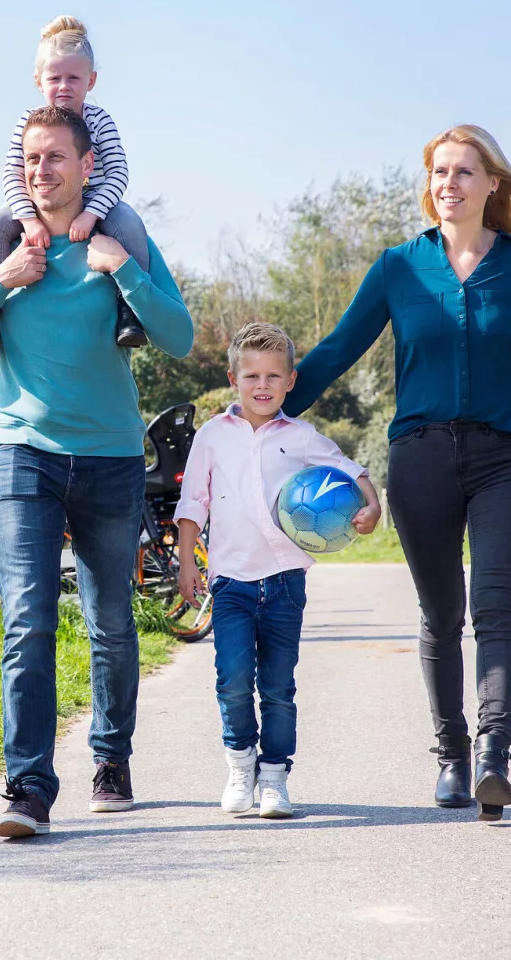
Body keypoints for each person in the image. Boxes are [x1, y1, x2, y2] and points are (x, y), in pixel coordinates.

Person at [281, 125, 511, 821]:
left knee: (496, 608)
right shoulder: (399, 267)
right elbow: (340, 346)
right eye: (439, 172)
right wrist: (270, 406)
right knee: (440, 614)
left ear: (492, 184)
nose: (449, 185)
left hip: (507, 459)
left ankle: (494, 752)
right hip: (422, 457)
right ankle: (451, 756)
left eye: (464, 173)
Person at [0, 104, 194, 838]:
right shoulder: (6, 247)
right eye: (31, 160)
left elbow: (179, 333)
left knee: (110, 621)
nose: (42, 171)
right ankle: (28, 789)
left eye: (55, 158)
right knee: (26, 622)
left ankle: (110, 758)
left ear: (86, 167)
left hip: (109, 459)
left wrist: (124, 270)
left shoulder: (116, 241)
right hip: (23, 456)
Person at [173, 322, 380, 818]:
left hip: (285, 582)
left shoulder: (302, 437)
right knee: (232, 678)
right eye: (251, 376)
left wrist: (371, 506)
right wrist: (186, 561)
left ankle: (274, 779)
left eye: (273, 376)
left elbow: (353, 469)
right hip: (230, 581)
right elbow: (193, 501)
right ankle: (240, 766)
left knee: (278, 686)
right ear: (233, 379)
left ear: (290, 381)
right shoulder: (212, 436)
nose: (261, 386)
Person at [0, 16, 151, 351]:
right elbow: (12, 172)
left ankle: (131, 312)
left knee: (128, 221)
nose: (64, 86)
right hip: (37, 202)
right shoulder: (28, 122)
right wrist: (26, 218)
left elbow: (118, 171)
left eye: (73, 78)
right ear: (39, 81)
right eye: (55, 78)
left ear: (91, 81)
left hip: (95, 200)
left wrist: (92, 213)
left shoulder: (100, 120)